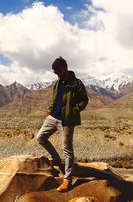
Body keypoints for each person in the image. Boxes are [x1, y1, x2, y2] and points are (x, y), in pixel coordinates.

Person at [36, 56, 89, 192]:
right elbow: (55, 99)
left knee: (68, 149)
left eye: (58, 70)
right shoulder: (58, 83)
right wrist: (49, 111)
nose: (57, 73)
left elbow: (84, 100)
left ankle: (67, 180)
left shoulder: (76, 83)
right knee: (40, 138)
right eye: (55, 72)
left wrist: (74, 111)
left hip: (66, 121)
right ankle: (56, 158)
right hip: (52, 117)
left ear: (65, 68)